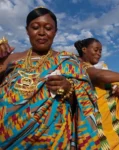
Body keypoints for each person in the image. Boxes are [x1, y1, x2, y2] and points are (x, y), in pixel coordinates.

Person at [0, 7, 103, 149]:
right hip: (9, 136)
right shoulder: (11, 59)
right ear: (27, 30)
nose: (41, 33)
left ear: (55, 32)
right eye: (35, 27)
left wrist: (68, 88)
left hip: (53, 140)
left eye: (48, 28)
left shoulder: (69, 62)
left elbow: (85, 103)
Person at [74, 38, 119, 150]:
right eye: (96, 50)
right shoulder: (79, 66)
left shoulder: (99, 68)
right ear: (84, 49)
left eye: (100, 51)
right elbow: (100, 76)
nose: (98, 54)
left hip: (111, 122)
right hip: (96, 122)